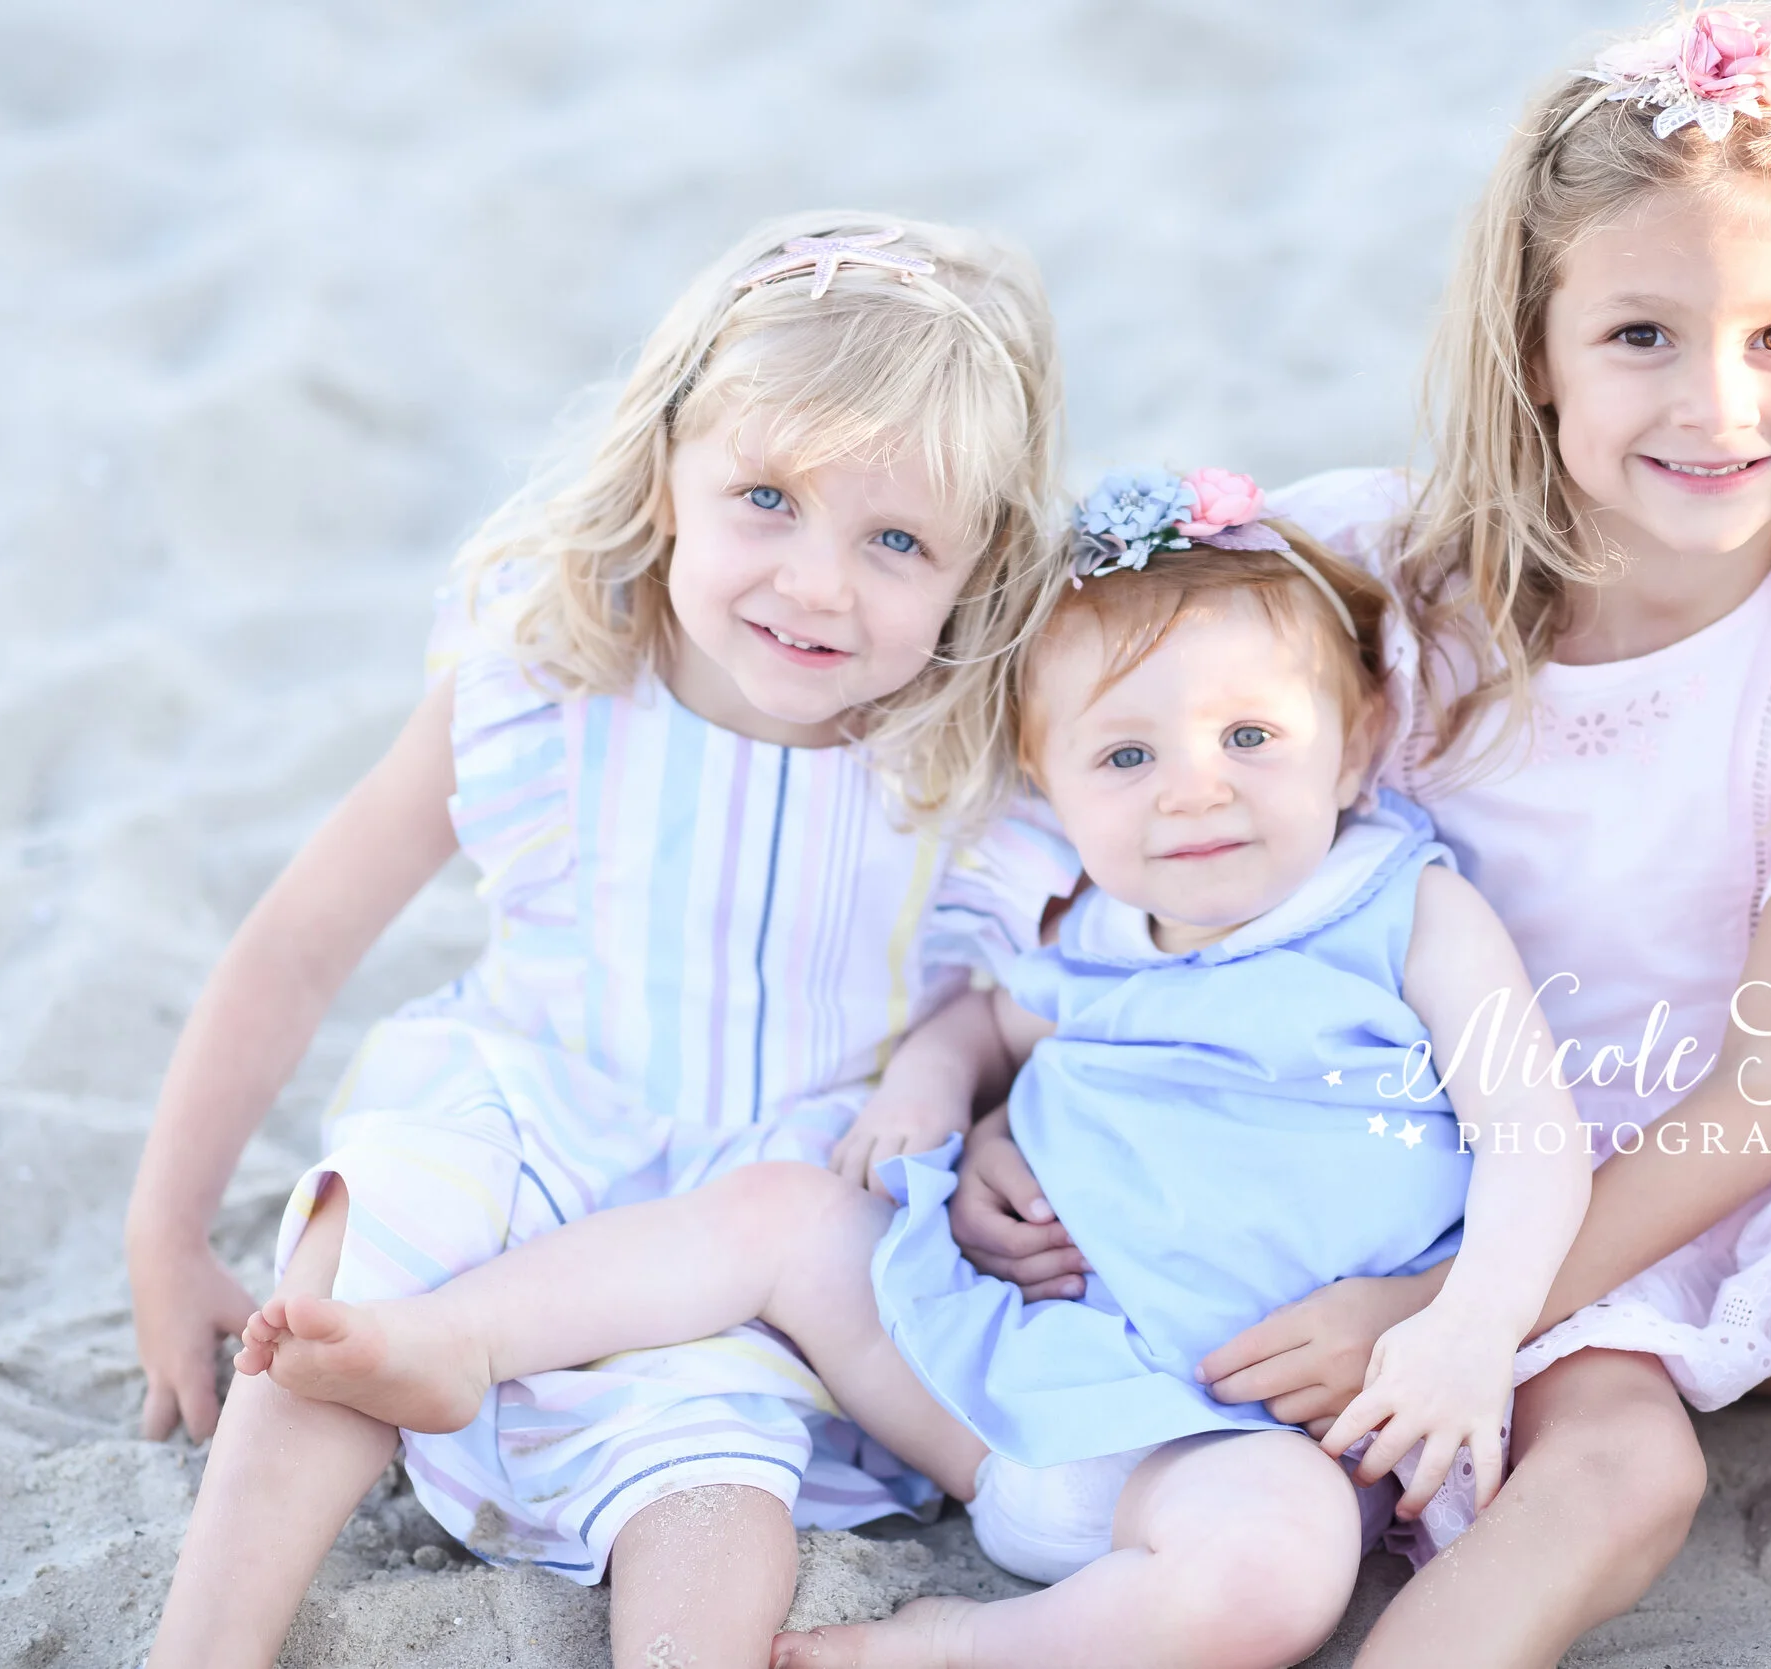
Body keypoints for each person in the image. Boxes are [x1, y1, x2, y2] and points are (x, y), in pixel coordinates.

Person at [952, 14, 1771, 1667]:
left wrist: (1452, 1324)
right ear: (1534, 349)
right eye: (1639, 334)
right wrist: (995, 1081)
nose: (1715, 402)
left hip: (1741, 1158)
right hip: (1451, 1160)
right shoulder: (1382, 573)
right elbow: (1078, 792)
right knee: (1616, 1467)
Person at [233, 470, 1591, 1669]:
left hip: (1226, 1448)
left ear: (1353, 742)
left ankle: (961, 1644)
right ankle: (460, 1339)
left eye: (1252, 738)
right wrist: (930, 1091)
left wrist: (1466, 1332)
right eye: (1126, 755)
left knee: (1279, 1577)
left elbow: (1532, 1126)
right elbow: (986, 1023)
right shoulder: (1090, 922)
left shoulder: (1401, 908)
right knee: (777, 1213)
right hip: (993, 1372)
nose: (1194, 789)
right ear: (1045, 785)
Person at [126, 211, 1069, 1669]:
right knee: (360, 1256)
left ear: (978, 568)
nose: (817, 583)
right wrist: (167, 1230)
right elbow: (299, 942)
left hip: (771, 1200)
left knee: (711, 1462)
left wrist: (990, 1121)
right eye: (767, 498)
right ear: (668, 471)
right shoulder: (552, 685)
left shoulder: (977, 771)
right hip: (525, 1110)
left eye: (895, 539)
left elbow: (1057, 1008)